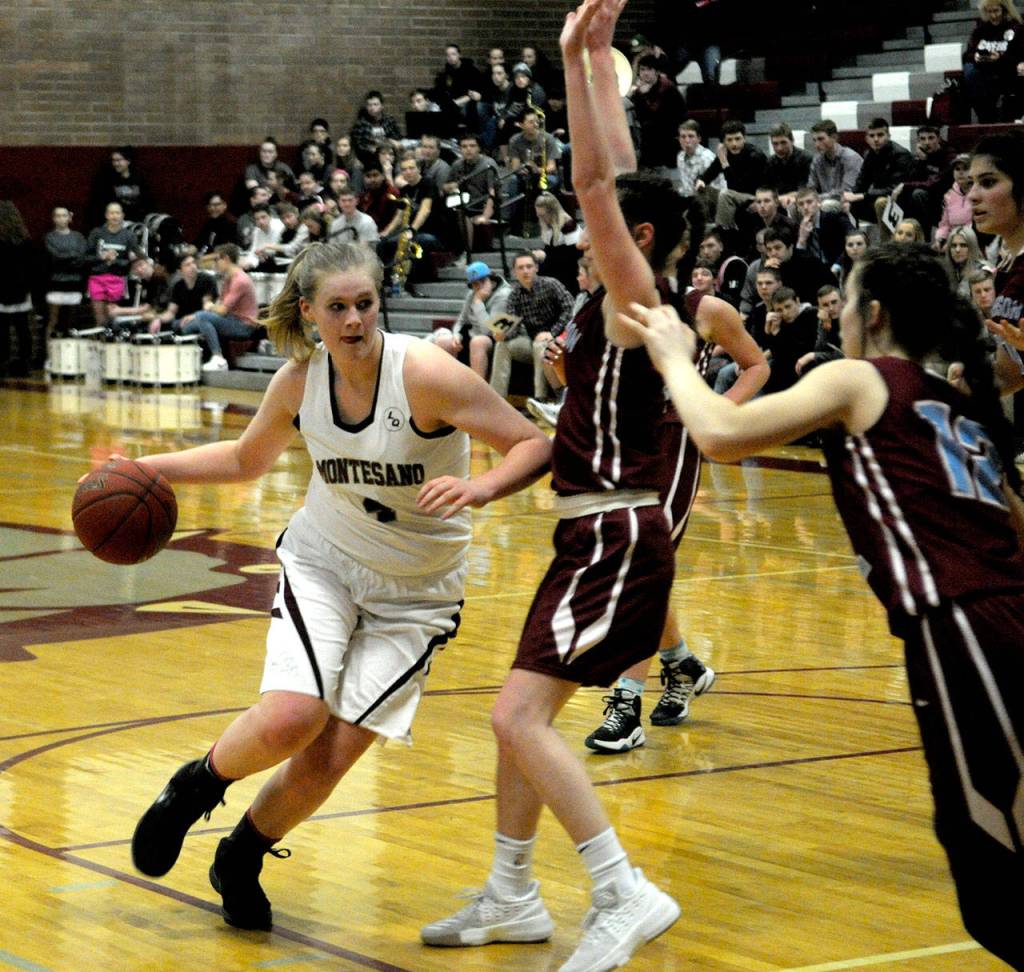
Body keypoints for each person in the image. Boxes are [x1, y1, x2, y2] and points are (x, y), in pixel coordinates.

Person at [423, 3, 761, 968]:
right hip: (589, 533)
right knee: (518, 724)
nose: (583, 225)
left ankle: (622, 891)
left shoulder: (635, 298)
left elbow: (595, 176)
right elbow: (618, 168)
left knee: (516, 717)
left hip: (616, 538)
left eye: (604, 223)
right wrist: (597, 55)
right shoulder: (601, 300)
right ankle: (512, 891)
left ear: (637, 233)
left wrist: (576, 61)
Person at [619, 241, 1024, 972]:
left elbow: (719, 435)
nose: (836, 314)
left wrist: (676, 356)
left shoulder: (860, 378)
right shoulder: (953, 403)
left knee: (1001, 880)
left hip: (962, 627)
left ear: (871, 314)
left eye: (844, 299)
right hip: (996, 623)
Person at [129, 241, 551, 936]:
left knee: (333, 753)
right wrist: (145, 467)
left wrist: (483, 485)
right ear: (310, 312)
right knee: (294, 716)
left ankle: (241, 856)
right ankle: (194, 788)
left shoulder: (423, 373)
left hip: (416, 594)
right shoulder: (300, 380)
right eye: (338, 308)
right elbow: (244, 458)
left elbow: (532, 443)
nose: (354, 320)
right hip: (326, 562)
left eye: (365, 304)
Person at [967, 130, 1024, 397]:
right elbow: (1007, 375)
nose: (972, 196)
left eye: (988, 182)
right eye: (971, 184)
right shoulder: (1005, 271)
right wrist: (961, 387)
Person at [489, 250, 574, 403]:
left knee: (540, 344)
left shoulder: (551, 284)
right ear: (515, 272)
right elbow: (512, 326)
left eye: (529, 266)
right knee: (502, 344)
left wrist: (552, 332)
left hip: (557, 340)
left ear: (536, 268)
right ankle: (496, 399)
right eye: (521, 268)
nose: (525, 271)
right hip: (531, 341)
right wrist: (503, 334)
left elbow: (570, 308)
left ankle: (539, 398)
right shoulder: (514, 295)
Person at [179, 243, 259, 372]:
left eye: (217, 259)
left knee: (203, 317)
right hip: (232, 319)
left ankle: (218, 358)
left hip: (244, 325)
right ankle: (191, 362)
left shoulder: (240, 280)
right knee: (188, 325)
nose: (215, 263)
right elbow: (220, 306)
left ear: (226, 259)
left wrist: (209, 306)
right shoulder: (229, 278)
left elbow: (222, 310)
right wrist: (195, 316)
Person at [428, 260, 512, 380]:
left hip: (493, 339)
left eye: (482, 281)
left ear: (491, 279)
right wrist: (456, 335)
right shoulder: (472, 294)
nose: (478, 287)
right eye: (474, 284)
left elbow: (489, 331)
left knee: (477, 342)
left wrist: (478, 303)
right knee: (443, 341)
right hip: (473, 333)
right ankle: (446, 385)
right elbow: (461, 320)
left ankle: (477, 390)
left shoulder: (504, 295)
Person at [962, 0, 1024, 122]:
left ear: (1004, 10)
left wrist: (1001, 58)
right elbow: (967, 55)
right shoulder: (980, 30)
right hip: (985, 73)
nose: (993, 16)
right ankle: (985, 118)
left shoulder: (1016, 28)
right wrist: (975, 57)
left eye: (996, 11)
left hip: (1008, 70)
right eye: (989, 12)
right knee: (970, 72)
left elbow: (1019, 54)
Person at [86, 202, 139, 327]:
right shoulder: (96, 233)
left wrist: (115, 261)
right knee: (100, 320)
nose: (114, 216)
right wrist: (102, 256)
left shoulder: (129, 235)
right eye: (111, 213)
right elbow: (85, 257)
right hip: (97, 277)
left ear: (122, 215)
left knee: (112, 318)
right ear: (106, 215)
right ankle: (99, 341)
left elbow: (133, 261)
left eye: (117, 213)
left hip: (117, 278)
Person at [0, 201, 35, 378]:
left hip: (3, 289)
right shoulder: (25, 240)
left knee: (3, 329)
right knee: (23, 329)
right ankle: (24, 363)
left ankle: (2, 363)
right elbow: (31, 268)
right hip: (21, 288)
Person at [147, 252, 219, 334]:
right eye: (187, 265)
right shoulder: (178, 286)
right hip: (182, 321)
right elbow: (171, 312)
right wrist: (158, 319)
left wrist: (194, 316)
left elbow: (207, 307)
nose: (193, 266)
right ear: (180, 271)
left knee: (192, 325)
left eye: (193, 263)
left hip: (202, 319)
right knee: (163, 327)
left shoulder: (207, 280)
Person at [44, 205, 88, 335]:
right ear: (53, 219)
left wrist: (65, 258)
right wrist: (71, 256)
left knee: (72, 322)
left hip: (74, 283)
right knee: (53, 320)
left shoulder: (78, 237)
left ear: (70, 217)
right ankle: (49, 352)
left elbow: (81, 258)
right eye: (58, 216)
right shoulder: (49, 237)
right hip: (56, 283)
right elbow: (54, 257)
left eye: (64, 215)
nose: (61, 219)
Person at [808, 119, 863, 211]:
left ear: (834, 137)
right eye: (814, 140)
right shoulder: (817, 160)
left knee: (826, 205)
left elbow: (845, 192)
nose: (817, 144)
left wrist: (817, 199)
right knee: (795, 206)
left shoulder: (851, 157)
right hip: (824, 200)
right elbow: (810, 188)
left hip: (850, 202)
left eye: (821, 139)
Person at [941, 225, 991, 296]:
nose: (957, 250)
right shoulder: (949, 271)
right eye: (953, 245)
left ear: (972, 247)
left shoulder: (983, 270)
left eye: (963, 245)